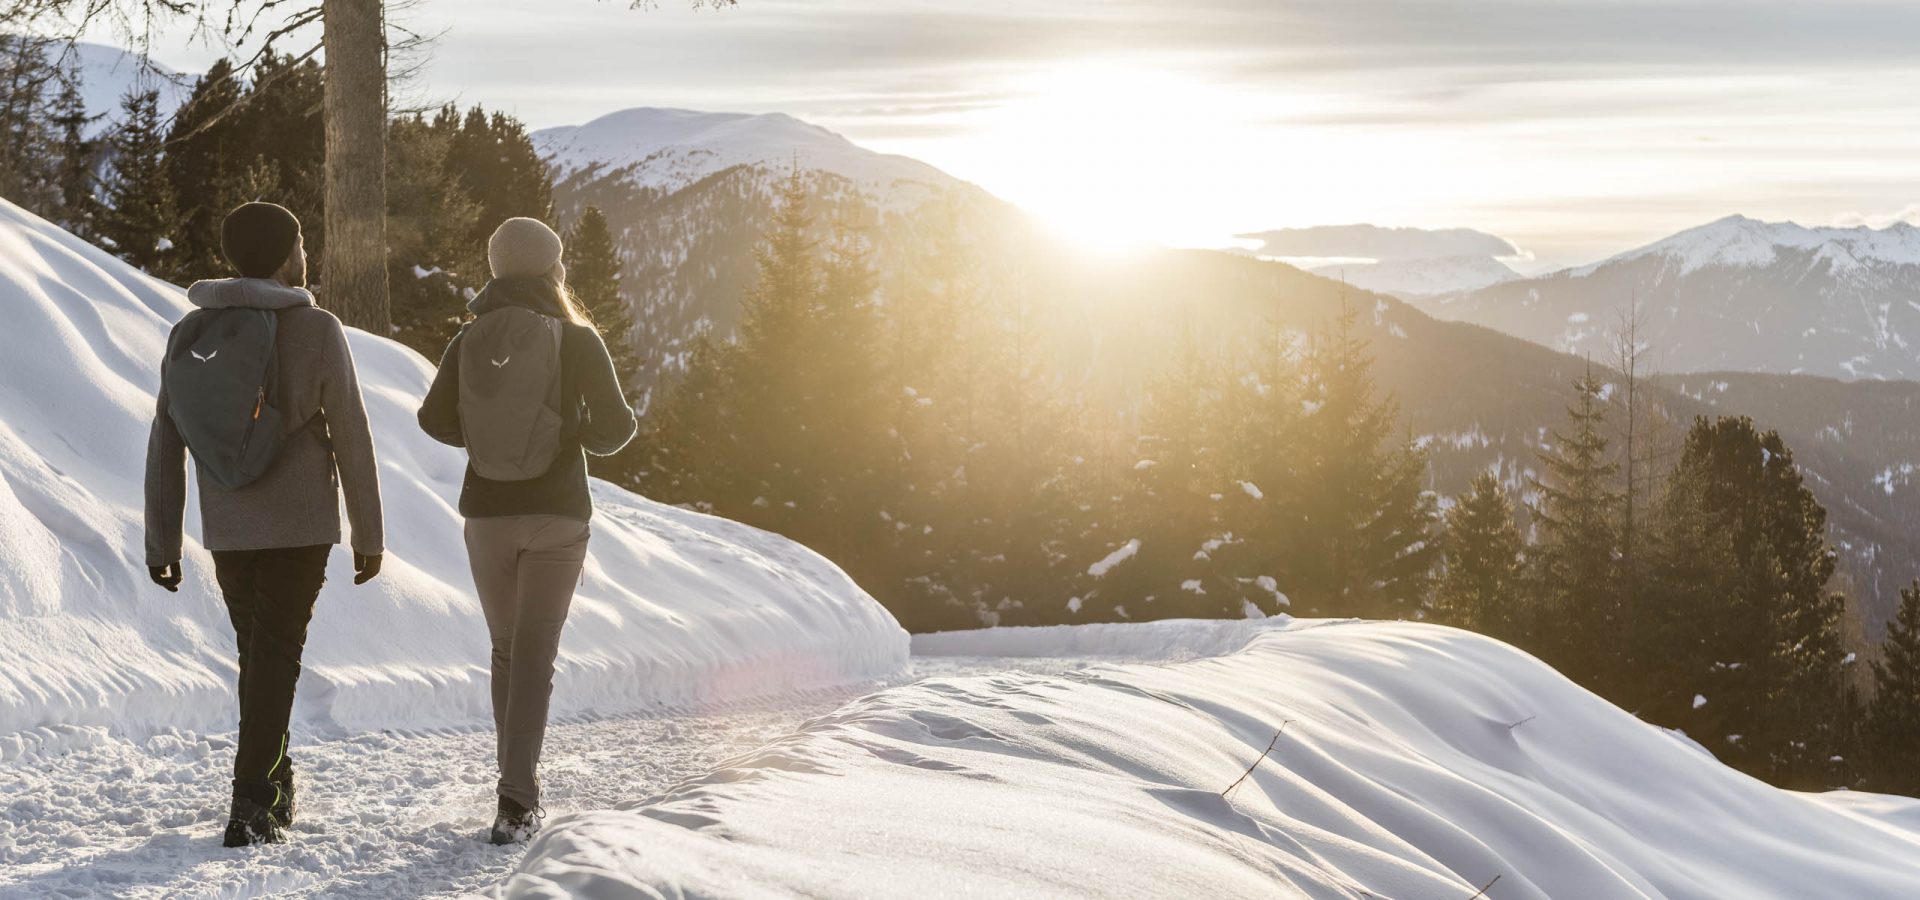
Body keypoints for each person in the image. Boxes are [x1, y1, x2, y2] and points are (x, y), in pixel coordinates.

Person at [144, 202, 385, 847]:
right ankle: (251, 797)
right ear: (287, 254)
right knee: (274, 657)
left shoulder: (192, 331)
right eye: (301, 242)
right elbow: (353, 437)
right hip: (300, 524)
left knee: (261, 656)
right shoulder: (317, 328)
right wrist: (369, 534)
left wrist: (162, 540)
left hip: (227, 526)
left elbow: (165, 440)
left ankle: (273, 788)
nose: (305, 253)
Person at [417, 217, 637, 844]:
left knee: (508, 650)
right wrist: (570, 438)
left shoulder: (467, 339)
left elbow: (434, 419)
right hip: (558, 514)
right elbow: (618, 429)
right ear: (551, 268)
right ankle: (516, 800)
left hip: (486, 515)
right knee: (535, 654)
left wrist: (485, 439)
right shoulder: (577, 339)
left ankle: (512, 785)